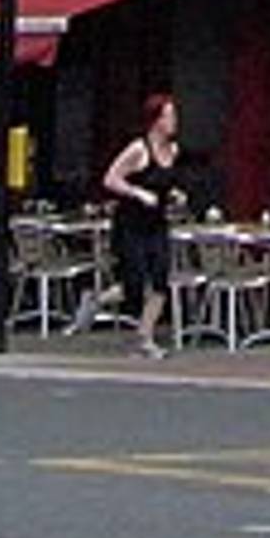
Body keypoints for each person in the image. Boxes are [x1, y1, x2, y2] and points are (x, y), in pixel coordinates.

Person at [102, 93, 184, 354]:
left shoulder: (173, 150)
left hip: (157, 223)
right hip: (131, 223)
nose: (174, 121)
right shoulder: (139, 149)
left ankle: (144, 337)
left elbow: (164, 184)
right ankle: (96, 300)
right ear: (156, 120)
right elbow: (111, 179)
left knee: (159, 280)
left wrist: (173, 194)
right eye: (169, 116)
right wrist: (138, 193)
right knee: (134, 284)